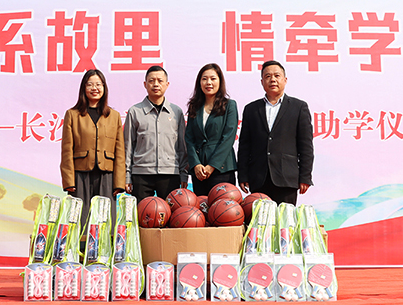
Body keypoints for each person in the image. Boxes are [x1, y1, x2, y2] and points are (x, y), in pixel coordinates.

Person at [237, 60, 314, 205]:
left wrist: (305, 176)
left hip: (287, 178)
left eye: (277, 76)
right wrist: (243, 175)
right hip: (258, 178)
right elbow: (245, 146)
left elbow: (306, 145)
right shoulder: (251, 109)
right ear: (262, 82)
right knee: (260, 219)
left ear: (285, 80)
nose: (272, 79)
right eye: (268, 76)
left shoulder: (299, 107)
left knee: (285, 219)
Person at [60, 69, 125, 226]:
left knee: (105, 219)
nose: (94, 88)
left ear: (104, 88)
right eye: (90, 85)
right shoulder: (72, 114)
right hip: (80, 174)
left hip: (107, 174)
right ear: (84, 88)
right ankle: (80, 243)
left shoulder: (114, 115)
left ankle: (105, 243)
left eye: (98, 84)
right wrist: (69, 181)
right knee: (80, 219)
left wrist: (119, 183)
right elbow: (67, 150)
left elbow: (120, 151)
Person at [124, 65, 188, 200]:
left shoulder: (176, 112)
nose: (156, 84)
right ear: (145, 84)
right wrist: (127, 175)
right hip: (141, 174)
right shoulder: (134, 112)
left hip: (170, 173)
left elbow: (182, 147)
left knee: (170, 213)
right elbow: (128, 146)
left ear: (167, 84)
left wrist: (183, 174)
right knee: (142, 212)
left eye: (160, 80)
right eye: (151, 81)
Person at [185, 63, 238, 197]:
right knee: (201, 207)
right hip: (199, 172)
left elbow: (228, 138)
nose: (208, 82)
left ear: (220, 81)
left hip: (222, 169)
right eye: (204, 79)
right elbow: (189, 138)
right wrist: (196, 164)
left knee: (223, 208)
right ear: (199, 83)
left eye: (213, 78)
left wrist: (212, 165)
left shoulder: (229, 105)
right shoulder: (194, 106)